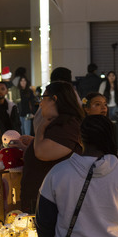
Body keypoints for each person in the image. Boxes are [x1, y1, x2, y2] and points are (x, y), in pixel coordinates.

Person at [20, 81, 84, 213]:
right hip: (43, 200)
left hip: (53, 204)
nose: (41, 103)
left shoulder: (67, 125)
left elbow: (42, 152)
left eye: (43, 98)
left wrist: (40, 129)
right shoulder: (59, 123)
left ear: (54, 99)